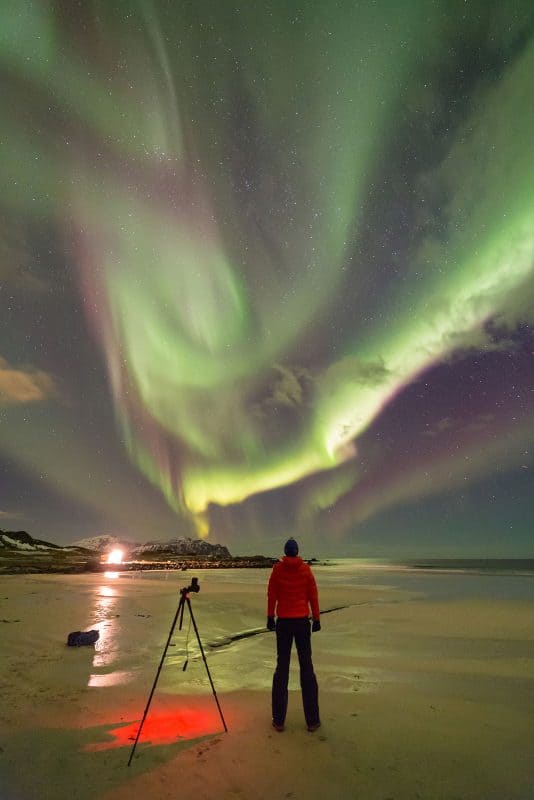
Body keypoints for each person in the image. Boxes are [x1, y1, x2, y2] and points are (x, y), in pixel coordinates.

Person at [266, 537, 321, 732]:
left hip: (284, 623)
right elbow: (312, 594)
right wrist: (316, 618)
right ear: (297, 552)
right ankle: (312, 720)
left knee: (282, 669)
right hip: (301, 623)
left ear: (285, 551)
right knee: (307, 668)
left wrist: (270, 616)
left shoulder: (278, 570)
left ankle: (279, 720)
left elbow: (271, 593)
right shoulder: (305, 569)